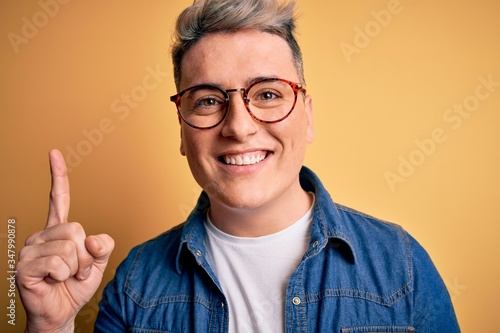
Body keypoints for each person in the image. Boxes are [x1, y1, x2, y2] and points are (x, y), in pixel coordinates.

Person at [16, 0, 461, 331]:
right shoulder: (136, 284)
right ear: (182, 132)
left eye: (267, 93)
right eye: (209, 101)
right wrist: (51, 327)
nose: (240, 127)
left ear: (307, 115)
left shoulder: (399, 265)